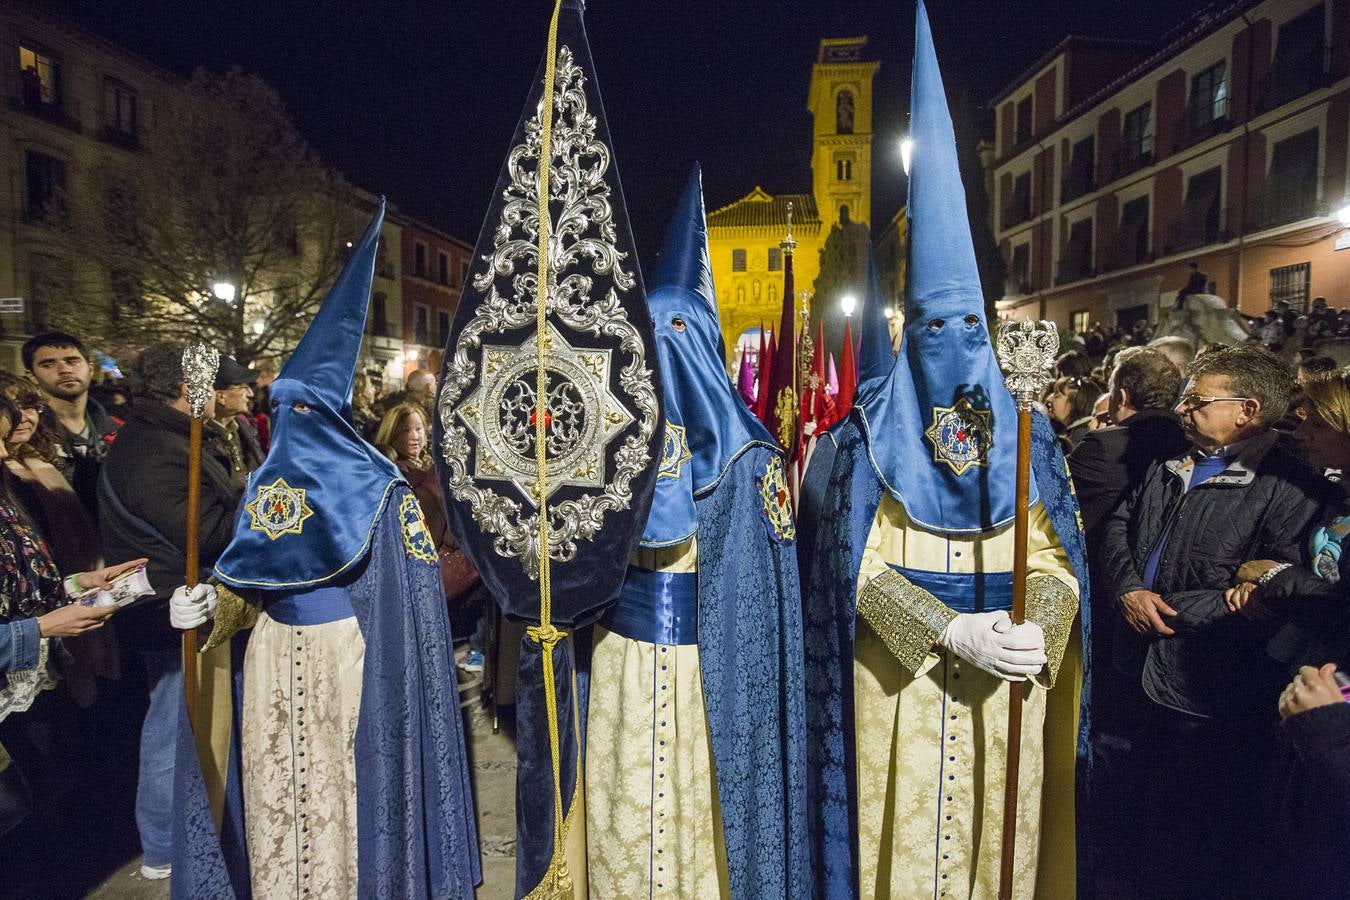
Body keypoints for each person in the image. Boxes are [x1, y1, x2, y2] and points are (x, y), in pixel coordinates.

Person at [801, 8, 1087, 896]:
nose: (952, 344)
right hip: (903, 687)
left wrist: (1034, 618)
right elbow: (845, 568)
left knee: (998, 852)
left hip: (1007, 684)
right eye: (935, 327)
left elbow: (1055, 554)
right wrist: (943, 626)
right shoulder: (860, 440)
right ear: (910, 328)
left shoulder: (1028, 432)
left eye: (970, 326)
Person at [169, 203, 480, 898]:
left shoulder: (385, 489)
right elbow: (245, 586)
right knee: (280, 790)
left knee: (346, 794)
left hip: (350, 661)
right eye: (282, 409)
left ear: (334, 414)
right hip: (273, 660)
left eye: (304, 409)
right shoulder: (260, 486)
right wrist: (205, 608)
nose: (290, 423)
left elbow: (413, 605)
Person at [583, 168, 808, 898]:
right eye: (651, 332)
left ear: (706, 344)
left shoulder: (752, 462)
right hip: (620, 667)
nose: (663, 352)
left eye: (679, 331)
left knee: (700, 829)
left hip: (710, 683)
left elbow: (766, 615)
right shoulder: (607, 450)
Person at [1099, 344, 1332, 897]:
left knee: (1202, 832)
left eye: (1197, 400)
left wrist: (1165, 610)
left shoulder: (1288, 484)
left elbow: (1255, 594)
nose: (1182, 409)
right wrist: (1130, 588)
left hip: (1205, 683)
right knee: (1141, 816)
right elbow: (1119, 526)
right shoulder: (1168, 460)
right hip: (1137, 665)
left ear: (1245, 410)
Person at [97, 342, 241, 880]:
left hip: (179, 599)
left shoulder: (171, 437)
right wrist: (267, 508)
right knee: (172, 721)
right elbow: (205, 535)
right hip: (167, 605)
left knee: (188, 715)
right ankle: (161, 844)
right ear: (188, 389)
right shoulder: (157, 447)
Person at [373, 401, 480, 647]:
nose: (414, 437)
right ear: (391, 433)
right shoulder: (395, 471)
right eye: (405, 431)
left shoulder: (432, 465)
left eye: (419, 429)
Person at [22, 332, 121, 521]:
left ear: (90, 369)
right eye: (48, 364)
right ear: (31, 376)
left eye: (72, 361)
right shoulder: (25, 436)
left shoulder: (119, 431)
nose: (64, 370)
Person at [208, 355, 264, 491]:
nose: (250, 393)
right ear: (221, 397)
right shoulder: (202, 440)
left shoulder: (246, 429)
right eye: (242, 387)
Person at [1048, 375, 1105, 451]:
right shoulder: (1082, 433)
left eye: (1057, 396)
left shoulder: (1079, 440)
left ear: (1073, 404)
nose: (1049, 399)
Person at [351, 371, 379, 441]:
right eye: (370, 385)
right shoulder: (356, 418)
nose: (374, 389)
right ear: (360, 391)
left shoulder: (367, 413)